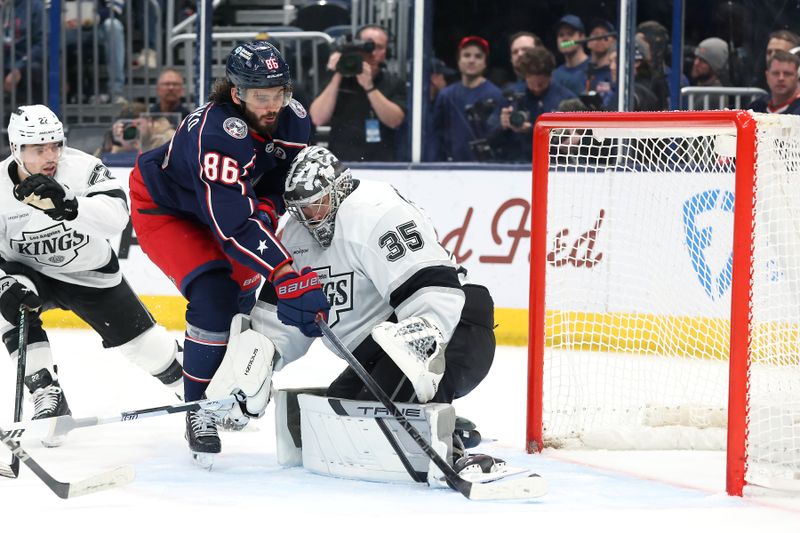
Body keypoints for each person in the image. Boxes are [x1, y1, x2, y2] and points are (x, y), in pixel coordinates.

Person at [129, 41, 330, 467]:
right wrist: (285, 272)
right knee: (214, 297)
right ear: (236, 93)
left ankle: (218, 380)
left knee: (240, 305)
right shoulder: (218, 134)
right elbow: (233, 227)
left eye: (279, 92)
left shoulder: (293, 118)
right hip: (168, 209)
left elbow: (278, 181)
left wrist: (271, 207)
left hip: (226, 206)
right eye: (261, 95)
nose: (273, 104)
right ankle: (196, 409)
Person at [250, 145, 496, 471]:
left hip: (456, 332)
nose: (311, 217)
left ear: (339, 189)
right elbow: (274, 323)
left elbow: (435, 294)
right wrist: (255, 369)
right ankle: (439, 418)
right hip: (378, 354)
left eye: (317, 204)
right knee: (336, 417)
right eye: (302, 209)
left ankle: (451, 448)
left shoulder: (377, 211)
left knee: (375, 414)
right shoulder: (296, 236)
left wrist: (419, 349)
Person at [0, 105, 183, 447]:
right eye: (39, 149)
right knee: (6, 303)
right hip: (31, 275)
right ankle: (46, 391)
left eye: (55, 144)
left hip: (90, 275)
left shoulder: (83, 167)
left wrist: (69, 206)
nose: (51, 155)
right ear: (15, 149)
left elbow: (117, 217)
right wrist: (3, 283)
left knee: (150, 350)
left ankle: (195, 392)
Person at [309, 24, 407, 162]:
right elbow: (317, 118)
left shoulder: (394, 83)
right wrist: (338, 73)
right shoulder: (337, 81)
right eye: (366, 46)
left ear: (387, 52)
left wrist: (369, 87)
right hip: (340, 164)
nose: (372, 52)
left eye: (378, 47)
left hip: (382, 164)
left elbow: (395, 121)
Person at [490, 46, 576, 162]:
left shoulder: (566, 99)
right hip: (514, 164)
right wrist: (502, 126)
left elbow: (571, 141)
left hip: (553, 166)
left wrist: (532, 130)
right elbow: (490, 137)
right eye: (532, 83)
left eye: (541, 84)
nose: (536, 88)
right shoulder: (510, 96)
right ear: (525, 76)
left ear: (550, 76)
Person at [431, 36, 503, 162]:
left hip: (488, 168)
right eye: (466, 55)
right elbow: (436, 136)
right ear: (458, 60)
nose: (471, 60)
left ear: (485, 63)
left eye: (478, 56)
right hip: (450, 169)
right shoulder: (446, 96)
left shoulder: (496, 95)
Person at [2, 0, 44, 102]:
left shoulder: (35, 6)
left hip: (26, 62)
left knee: (34, 68)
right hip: (5, 61)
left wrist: (19, 67)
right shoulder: (4, 7)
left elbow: (42, 43)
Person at [747, 50, 800, 114]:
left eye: (787, 74)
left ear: (797, 77)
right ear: (767, 76)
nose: (781, 78)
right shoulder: (756, 107)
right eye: (776, 73)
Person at [552, 14, 590, 97]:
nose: (565, 39)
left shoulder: (594, 68)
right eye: (561, 35)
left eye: (570, 34)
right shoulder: (554, 75)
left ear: (582, 37)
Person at [585, 19, 616, 104]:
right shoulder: (581, 72)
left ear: (613, 41)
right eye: (595, 35)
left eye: (604, 36)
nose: (599, 39)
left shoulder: (615, 72)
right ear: (588, 42)